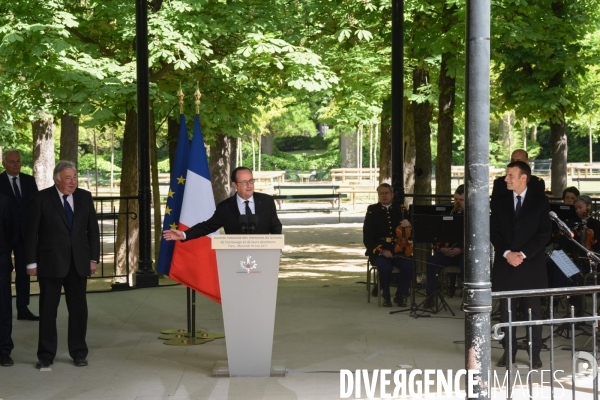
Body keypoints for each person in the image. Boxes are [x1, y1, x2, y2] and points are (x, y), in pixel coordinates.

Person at [24, 161, 100, 369]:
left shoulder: (85, 197)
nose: (72, 182)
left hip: (78, 264)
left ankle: (78, 352)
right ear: (57, 179)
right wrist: (31, 262)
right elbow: (31, 234)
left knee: (79, 311)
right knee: (48, 312)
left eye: (75, 177)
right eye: (68, 178)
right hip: (50, 264)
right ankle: (46, 356)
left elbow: (93, 230)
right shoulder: (40, 198)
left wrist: (93, 259)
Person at [491, 160, 551, 369]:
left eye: (510, 176)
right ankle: (509, 353)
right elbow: (494, 231)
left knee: (532, 312)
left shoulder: (540, 201)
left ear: (523, 178)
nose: (505, 179)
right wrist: (507, 253)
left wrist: (523, 254)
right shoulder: (499, 201)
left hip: (530, 266)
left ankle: (534, 354)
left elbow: (544, 233)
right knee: (507, 312)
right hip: (506, 265)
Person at [163, 166, 282, 241]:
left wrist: (275, 248)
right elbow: (207, 226)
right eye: (244, 182)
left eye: (251, 181)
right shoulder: (225, 207)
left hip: (264, 257)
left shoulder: (267, 202)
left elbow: (275, 226)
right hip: (236, 260)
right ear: (235, 185)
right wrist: (184, 234)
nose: (249, 185)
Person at [0, 150, 39, 321]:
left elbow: (35, 206)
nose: (15, 164)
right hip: (4, 235)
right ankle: (4, 309)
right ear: (4, 164)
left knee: (24, 272)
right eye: (11, 161)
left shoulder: (29, 180)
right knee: (4, 272)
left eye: (18, 161)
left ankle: (23, 309)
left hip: (25, 234)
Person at [362, 183, 413, 307]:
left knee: (409, 266)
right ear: (378, 195)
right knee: (385, 268)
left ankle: (401, 294)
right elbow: (367, 238)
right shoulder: (372, 211)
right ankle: (386, 295)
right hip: (380, 251)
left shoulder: (400, 209)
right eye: (381, 193)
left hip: (398, 249)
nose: (384, 196)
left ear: (392, 195)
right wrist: (382, 251)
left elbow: (410, 232)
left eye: (387, 193)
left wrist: (410, 224)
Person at [423, 184, 465, 308]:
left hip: (464, 254)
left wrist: (460, 250)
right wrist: (441, 248)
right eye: (456, 199)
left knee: (468, 266)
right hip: (446, 253)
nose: (458, 202)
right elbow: (434, 236)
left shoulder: (473, 216)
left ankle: (468, 298)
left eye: (461, 200)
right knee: (432, 262)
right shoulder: (446, 214)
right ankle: (430, 296)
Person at [0, 193, 14, 366]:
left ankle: (4, 350)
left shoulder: (3, 200)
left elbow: (10, 231)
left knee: (3, 307)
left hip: (0, 260)